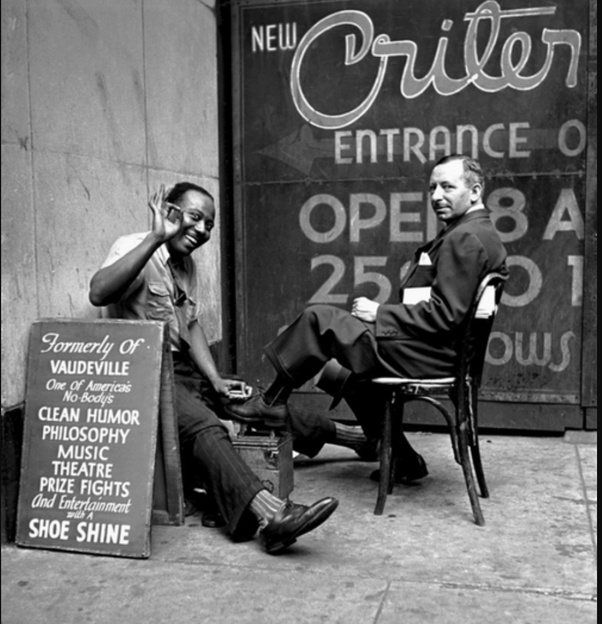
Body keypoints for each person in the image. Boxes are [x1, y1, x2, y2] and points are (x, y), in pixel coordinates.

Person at [88, 181, 338, 554]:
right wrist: (154, 239)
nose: (203, 230)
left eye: (209, 224)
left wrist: (216, 379)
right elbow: (98, 292)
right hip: (144, 374)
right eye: (195, 218)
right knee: (206, 426)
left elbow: (190, 325)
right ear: (169, 212)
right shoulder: (134, 246)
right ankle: (271, 517)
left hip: (183, 368)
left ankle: (357, 439)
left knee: (258, 401)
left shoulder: (186, 264)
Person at [226, 154, 509, 481]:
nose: (436, 196)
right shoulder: (475, 230)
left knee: (322, 319)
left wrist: (379, 313)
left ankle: (272, 400)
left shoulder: (466, 237)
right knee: (338, 372)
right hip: (438, 351)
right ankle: (403, 459)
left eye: (447, 187)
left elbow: (447, 316)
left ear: (474, 192)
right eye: (432, 187)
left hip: (431, 355)